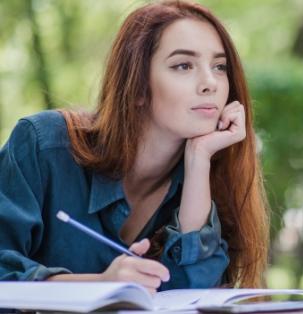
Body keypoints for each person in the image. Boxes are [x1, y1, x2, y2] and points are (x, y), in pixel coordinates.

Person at [0, 0, 269, 292]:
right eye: (183, 65)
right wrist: (99, 285)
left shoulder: (211, 176)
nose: (210, 83)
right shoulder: (43, 145)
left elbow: (194, 293)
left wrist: (199, 159)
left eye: (219, 67)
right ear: (138, 86)